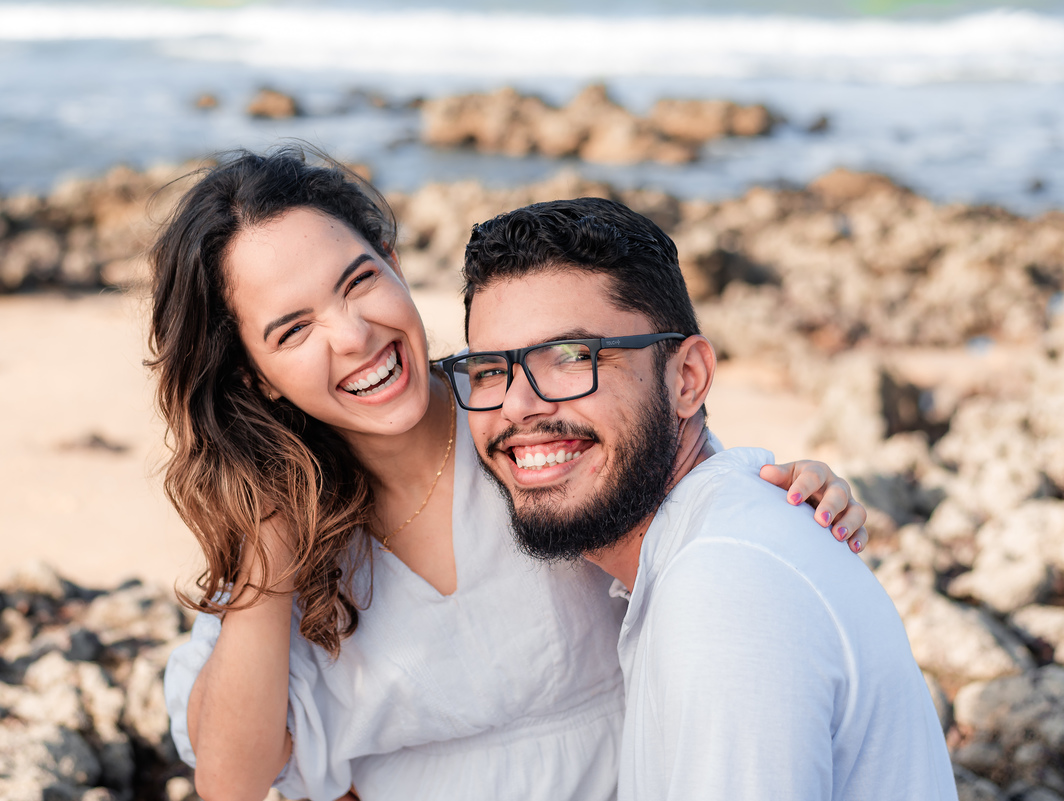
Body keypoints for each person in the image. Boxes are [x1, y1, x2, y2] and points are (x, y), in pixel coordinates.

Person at [153, 147, 870, 801]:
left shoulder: (524, 429)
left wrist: (784, 498)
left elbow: (688, 503)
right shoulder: (286, 526)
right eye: (294, 329)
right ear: (258, 377)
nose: (354, 335)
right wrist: (270, 546)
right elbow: (231, 781)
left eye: (359, 280)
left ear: (396, 264)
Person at [453, 197, 956, 801]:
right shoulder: (702, 549)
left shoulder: (725, 585)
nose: (516, 406)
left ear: (687, 377)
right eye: (488, 370)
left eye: (570, 358)